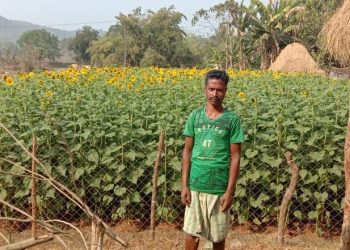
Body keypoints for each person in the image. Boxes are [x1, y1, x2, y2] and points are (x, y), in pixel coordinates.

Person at [181, 69, 244, 250]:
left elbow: (235, 156)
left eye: (219, 90)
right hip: (195, 186)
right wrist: (184, 185)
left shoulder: (232, 120)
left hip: (219, 189)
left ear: (225, 91)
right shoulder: (195, 116)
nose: (215, 94)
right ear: (205, 89)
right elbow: (187, 151)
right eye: (211, 89)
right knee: (191, 236)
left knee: (217, 238)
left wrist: (229, 192)